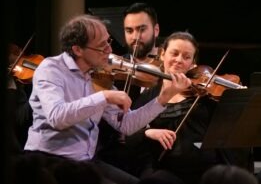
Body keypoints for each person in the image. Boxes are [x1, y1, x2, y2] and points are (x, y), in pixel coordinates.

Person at [23, 14, 191, 184]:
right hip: (50, 161)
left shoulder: (98, 76)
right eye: (101, 47)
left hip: (85, 163)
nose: (110, 51)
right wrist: (104, 96)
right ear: (78, 50)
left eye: (108, 42)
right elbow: (57, 117)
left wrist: (163, 98)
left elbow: (127, 125)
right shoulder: (51, 69)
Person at [128, 32, 254, 184]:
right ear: (162, 54)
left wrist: (237, 97)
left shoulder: (205, 93)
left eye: (186, 57)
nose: (179, 60)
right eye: (174, 53)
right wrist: (149, 132)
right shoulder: (150, 95)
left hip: (208, 168)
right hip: (167, 168)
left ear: (193, 63)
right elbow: (128, 131)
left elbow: (232, 126)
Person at [97, 2, 162, 174]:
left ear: (156, 31)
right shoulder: (113, 68)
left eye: (141, 29)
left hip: (153, 157)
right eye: (129, 30)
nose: (135, 37)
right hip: (110, 153)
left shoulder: (168, 72)